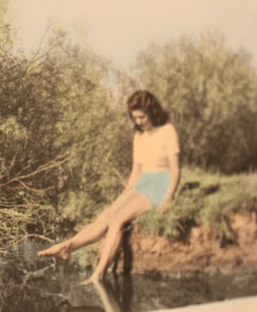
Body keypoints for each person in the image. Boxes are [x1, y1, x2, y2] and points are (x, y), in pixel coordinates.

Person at [38, 90, 180, 284]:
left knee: (118, 219)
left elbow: (175, 169)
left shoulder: (167, 130)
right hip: (143, 182)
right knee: (107, 215)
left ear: (152, 111)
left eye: (142, 117)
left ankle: (98, 274)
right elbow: (136, 171)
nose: (138, 121)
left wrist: (169, 197)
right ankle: (69, 246)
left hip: (160, 183)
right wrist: (125, 196)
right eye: (135, 118)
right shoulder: (139, 137)